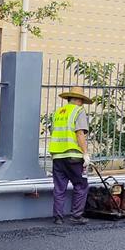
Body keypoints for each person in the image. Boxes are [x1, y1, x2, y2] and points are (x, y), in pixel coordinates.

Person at [47, 86, 93, 225]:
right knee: (81, 185)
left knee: (59, 187)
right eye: (82, 101)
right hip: (73, 156)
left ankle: (58, 217)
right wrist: (85, 154)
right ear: (79, 100)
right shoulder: (78, 111)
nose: (82, 104)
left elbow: (53, 132)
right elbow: (80, 134)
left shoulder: (57, 113)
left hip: (57, 156)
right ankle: (76, 216)